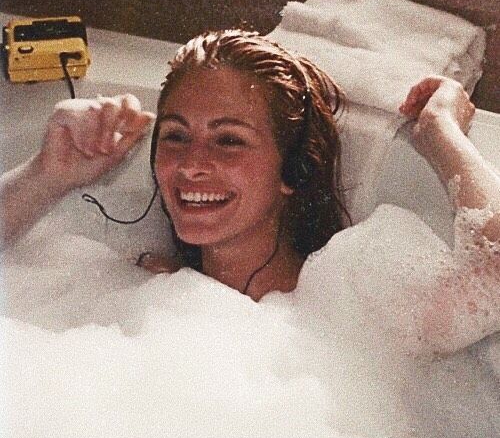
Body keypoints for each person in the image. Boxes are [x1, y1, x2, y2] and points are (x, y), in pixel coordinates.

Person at [1, 30, 499, 352]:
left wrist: (441, 133)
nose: (192, 165)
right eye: (175, 135)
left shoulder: (357, 315)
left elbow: (493, 275)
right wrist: (47, 174)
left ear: (295, 171)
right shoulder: (141, 285)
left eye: (229, 140)